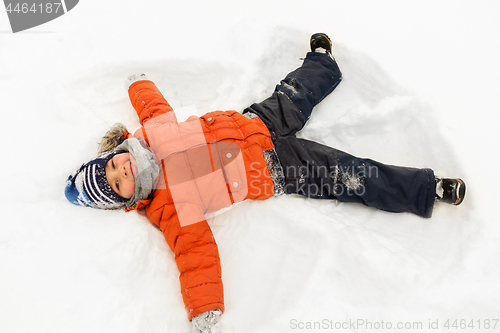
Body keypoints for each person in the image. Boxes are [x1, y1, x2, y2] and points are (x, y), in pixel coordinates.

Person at [64, 33, 466, 332]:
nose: (123, 173)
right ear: (126, 200)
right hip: (274, 167)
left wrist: (138, 83)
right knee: (346, 174)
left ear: (115, 152)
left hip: (255, 121)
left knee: (294, 92)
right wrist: (204, 306)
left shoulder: (151, 130)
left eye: (113, 167)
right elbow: (195, 252)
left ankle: (322, 61)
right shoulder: (166, 205)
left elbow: (151, 102)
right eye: (117, 185)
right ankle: (424, 189)